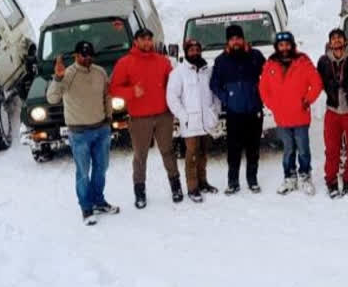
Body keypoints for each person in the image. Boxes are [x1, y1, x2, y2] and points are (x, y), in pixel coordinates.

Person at [47, 41, 119, 225]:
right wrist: (57, 78)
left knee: (101, 169)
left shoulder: (100, 72)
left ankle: (99, 201)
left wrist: (108, 117)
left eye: (89, 55)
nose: (86, 59)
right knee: (83, 173)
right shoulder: (68, 74)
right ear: (76, 55)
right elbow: (52, 98)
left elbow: (107, 95)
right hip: (79, 134)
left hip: (101, 129)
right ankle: (86, 208)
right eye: (82, 55)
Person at [110, 28, 180, 209]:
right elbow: (114, 89)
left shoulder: (163, 61)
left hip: (163, 115)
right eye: (143, 39)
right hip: (140, 118)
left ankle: (176, 186)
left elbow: (173, 85)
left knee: (168, 151)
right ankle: (139, 191)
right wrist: (131, 92)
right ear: (135, 42)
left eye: (149, 39)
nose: (147, 42)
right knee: (140, 156)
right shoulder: (125, 63)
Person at [259, 31, 323, 195]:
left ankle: (305, 176)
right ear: (277, 47)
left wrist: (307, 100)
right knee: (288, 150)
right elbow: (263, 89)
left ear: (292, 45)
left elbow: (316, 83)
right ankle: (289, 177)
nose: (284, 48)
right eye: (281, 45)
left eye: (287, 44)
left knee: (303, 149)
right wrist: (273, 105)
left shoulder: (303, 61)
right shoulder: (270, 64)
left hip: (300, 115)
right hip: (282, 118)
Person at [210, 24, 266, 194]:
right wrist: (227, 98)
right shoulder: (221, 61)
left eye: (238, 38)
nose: (236, 42)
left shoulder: (255, 56)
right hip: (234, 113)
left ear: (243, 39)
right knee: (233, 150)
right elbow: (214, 84)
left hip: (254, 110)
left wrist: (262, 94)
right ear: (228, 41)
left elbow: (270, 75)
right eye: (232, 39)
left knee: (253, 148)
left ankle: (252, 179)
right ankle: (233, 182)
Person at [166, 39, 221, 203]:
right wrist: (184, 116)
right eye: (191, 50)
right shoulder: (178, 73)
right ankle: (192, 188)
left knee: (203, 154)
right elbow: (172, 97)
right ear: (186, 52)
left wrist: (215, 112)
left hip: (206, 122)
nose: (195, 52)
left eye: (197, 49)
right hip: (191, 122)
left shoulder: (207, 71)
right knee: (192, 156)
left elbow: (215, 94)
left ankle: (203, 183)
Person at [317, 28, 348, 198]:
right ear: (329, 43)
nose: (336, 41)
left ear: (345, 41)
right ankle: (331, 181)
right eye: (333, 39)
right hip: (333, 111)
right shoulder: (323, 61)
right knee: (332, 149)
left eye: (339, 38)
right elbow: (317, 82)